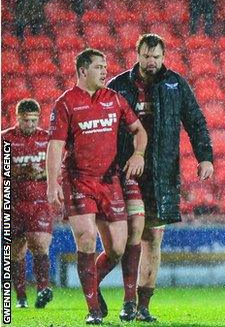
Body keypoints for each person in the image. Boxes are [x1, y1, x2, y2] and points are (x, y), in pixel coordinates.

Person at [108, 34, 214, 322]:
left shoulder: (175, 84)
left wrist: (205, 156)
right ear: (137, 54)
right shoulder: (118, 86)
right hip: (126, 171)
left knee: (153, 237)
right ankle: (127, 300)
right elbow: (104, 128)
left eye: (156, 56)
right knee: (130, 235)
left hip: (162, 173)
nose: (151, 61)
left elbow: (195, 120)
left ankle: (142, 306)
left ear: (163, 56)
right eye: (146, 56)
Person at [46, 48, 147, 324]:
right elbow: (55, 147)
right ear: (82, 71)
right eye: (99, 67)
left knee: (117, 247)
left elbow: (139, 130)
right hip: (78, 180)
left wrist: (138, 153)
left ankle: (93, 284)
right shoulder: (66, 103)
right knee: (86, 239)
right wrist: (51, 182)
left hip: (109, 179)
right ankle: (93, 311)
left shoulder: (114, 99)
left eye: (105, 66)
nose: (105, 71)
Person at [3, 99, 54, 309]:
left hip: (40, 203)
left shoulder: (47, 138)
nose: (30, 124)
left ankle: (43, 289)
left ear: (38, 118)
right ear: (17, 118)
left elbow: (56, 168)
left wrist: (43, 173)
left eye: (34, 120)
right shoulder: (6, 139)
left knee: (40, 244)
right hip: (13, 203)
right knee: (16, 252)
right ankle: (21, 296)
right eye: (26, 121)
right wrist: (23, 172)